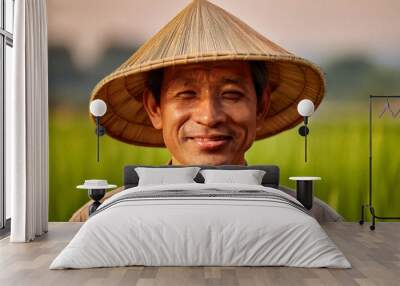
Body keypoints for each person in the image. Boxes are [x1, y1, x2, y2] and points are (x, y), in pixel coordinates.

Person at [69, 0, 342, 222]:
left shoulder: (314, 218)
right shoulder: (96, 218)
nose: (210, 117)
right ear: (155, 108)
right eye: (187, 94)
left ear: (261, 106)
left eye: (232, 94)